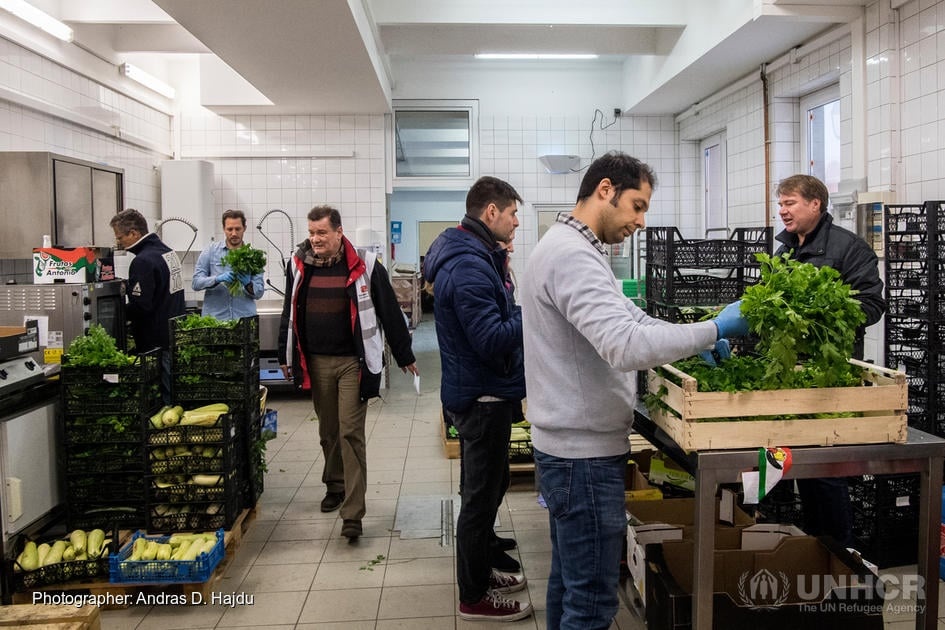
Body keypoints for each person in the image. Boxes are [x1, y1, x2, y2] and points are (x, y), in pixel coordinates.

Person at [520, 151, 746, 630]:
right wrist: (715, 327)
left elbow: (635, 320)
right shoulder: (572, 256)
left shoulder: (574, 248)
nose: (641, 221)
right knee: (591, 604)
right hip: (581, 460)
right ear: (606, 190)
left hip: (570, 452)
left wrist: (697, 341)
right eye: (637, 206)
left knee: (569, 585)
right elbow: (624, 345)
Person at [423, 176, 531, 622]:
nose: (517, 222)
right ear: (491, 212)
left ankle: (483, 570)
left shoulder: (477, 255)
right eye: (512, 213)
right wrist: (533, 314)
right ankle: (474, 596)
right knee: (479, 501)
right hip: (482, 397)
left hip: (486, 392)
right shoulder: (468, 265)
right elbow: (490, 338)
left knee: (490, 487)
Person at [277, 205, 418, 542]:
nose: (315, 239)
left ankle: (353, 514)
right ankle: (335, 485)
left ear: (339, 232)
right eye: (312, 233)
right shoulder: (298, 264)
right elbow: (288, 311)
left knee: (351, 433)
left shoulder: (366, 265)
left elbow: (388, 310)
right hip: (316, 362)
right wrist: (285, 352)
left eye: (322, 233)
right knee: (328, 431)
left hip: (353, 363)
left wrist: (404, 354)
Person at [774, 173, 886, 547]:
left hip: (830, 374)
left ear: (815, 204)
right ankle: (812, 548)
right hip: (789, 372)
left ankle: (841, 556)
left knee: (826, 467)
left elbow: (872, 305)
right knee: (799, 466)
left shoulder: (849, 248)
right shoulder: (784, 249)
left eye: (789, 203)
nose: (782, 210)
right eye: (780, 204)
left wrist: (819, 315)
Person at [110, 208, 186, 403]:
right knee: (174, 395)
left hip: (156, 343)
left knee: (164, 400)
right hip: (174, 336)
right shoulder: (168, 252)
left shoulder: (143, 261)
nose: (119, 242)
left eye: (120, 237)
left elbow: (142, 306)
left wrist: (114, 315)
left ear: (134, 233)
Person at [192, 209, 265, 320]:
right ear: (224, 229)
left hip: (244, 320)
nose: (234, 233)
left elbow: (259, 293)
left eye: (238, 229)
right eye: (230, 229)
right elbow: (196, 283)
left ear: (244, 228)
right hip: (215, 320)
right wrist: (217, 279)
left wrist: (248, 284)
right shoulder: (211, 251)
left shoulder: (253, 256)